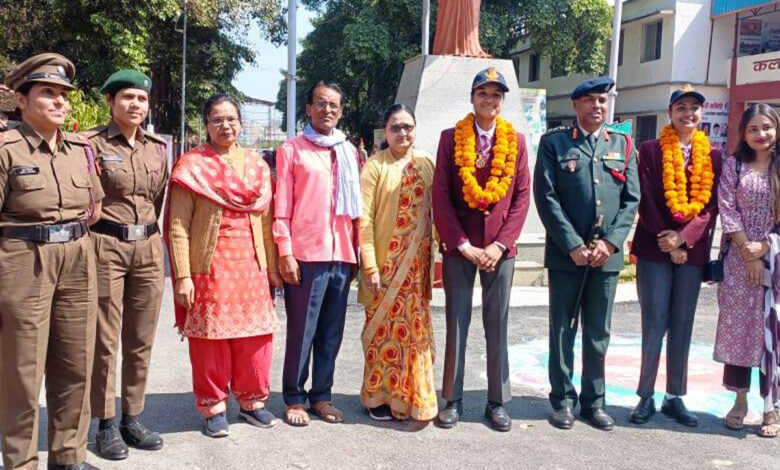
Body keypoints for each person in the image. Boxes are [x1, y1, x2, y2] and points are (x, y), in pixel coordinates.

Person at [0, 53, 104, 470]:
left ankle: (68, 456)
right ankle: (20, 462)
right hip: (24, 261)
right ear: (21, 99)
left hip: (78, 259)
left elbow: (94, 208)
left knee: (76, 361)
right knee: (23, 370)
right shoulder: (6, 149)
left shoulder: (80, 149)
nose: (60, 101)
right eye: (47, 92)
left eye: (64, 94)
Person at [166, 94, 281, 438]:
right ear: (206, 125)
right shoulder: (192, 167)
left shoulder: (257, 167)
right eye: (217, 119)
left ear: (241, 124)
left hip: (252, 267)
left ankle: (252, 401)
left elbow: (266, 223)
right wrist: (183, 275)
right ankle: (213, 406)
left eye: (231, 119)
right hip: (210, 268)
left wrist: (272, 268)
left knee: (255, 337)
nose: (225, 126)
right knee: (210, 339)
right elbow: (178, 226)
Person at [534, 77, 640, 431]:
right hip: (567, 256)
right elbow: (546, 197)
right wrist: (573, 245)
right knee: (562, 330)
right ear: (575, 104)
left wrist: (610, 243)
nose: (597, 106)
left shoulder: (623, 144)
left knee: (598, 333)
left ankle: (594, 402)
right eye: (590, 100)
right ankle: (563, 401)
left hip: (605, 258)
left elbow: (631, 200)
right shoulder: (555, 143)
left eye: (602, 100)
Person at [432, 67, 531, 432]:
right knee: (457, 322)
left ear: (502, 101)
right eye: (483, 93)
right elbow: (441, 195)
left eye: (496, 95)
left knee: (497, 323)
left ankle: (497, 402)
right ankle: (452, 399)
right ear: (472, 98)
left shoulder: (516, 141)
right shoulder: (450, 138)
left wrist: (501, 244)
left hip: (500, 250)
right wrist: (461, 243)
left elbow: (522, 196)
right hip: (460, 248)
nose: (489, 100)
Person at [83, 70, 168, 460]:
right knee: (104, 339)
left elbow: (158, 198)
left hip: (148, 247)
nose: (136, 105)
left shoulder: (157, 149)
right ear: (110, 101)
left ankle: (132, 418)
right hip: (107, 245)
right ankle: (104, 423)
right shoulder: (91, 145)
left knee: (141, 337)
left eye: (142, 98)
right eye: (128, 97)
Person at [628, 86, 722, 427]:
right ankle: (645, 396)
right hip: (654, 249)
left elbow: (711, 206)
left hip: (692, 254)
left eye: (694, 108)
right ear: (670, 113)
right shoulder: (650, 150)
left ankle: (674, 396)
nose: (688, 114)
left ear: (702, 114)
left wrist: (684, 239)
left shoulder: (713, 156)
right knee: (654, 323)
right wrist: (668, 240)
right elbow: (645, 197)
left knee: (682, 323)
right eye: (681, 107)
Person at [274, 82, 361, 426]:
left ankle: (322, 395)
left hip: (343, 253)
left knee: (331, 333)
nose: (328, 110)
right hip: (306, 255)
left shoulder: (349, 151)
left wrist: (357, 253)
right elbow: (282, 206)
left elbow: (357, 209)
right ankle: (295, 398)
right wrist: (285, 252)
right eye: (321, 103)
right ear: (309, 108)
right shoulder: (292, 149)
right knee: (302, 332)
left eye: (334, 105)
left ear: (341, 112)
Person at [358, 104, 437, 421]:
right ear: (386, 131)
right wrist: (370, 266)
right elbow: (364, 220)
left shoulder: (427, 162)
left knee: (414, 336)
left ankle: (413, 398)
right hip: (385, 267)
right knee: (383, 334)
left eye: (408, 127)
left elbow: (438, 211)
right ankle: (378, 397)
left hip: (417, 269)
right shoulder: (375, 166)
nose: (403, 133)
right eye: (395, 127)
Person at [715, 103, 780, 438]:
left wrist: (766, 246)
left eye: (766, 127)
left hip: (777, 260)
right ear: (744, 133)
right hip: (738, 263)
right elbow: (727, 209)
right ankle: (740, 401)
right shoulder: (734, 165)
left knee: (774, 332)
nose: (760, 134)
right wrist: (748, 253)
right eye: (753, 128)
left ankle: (772, 406)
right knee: (739, 331)